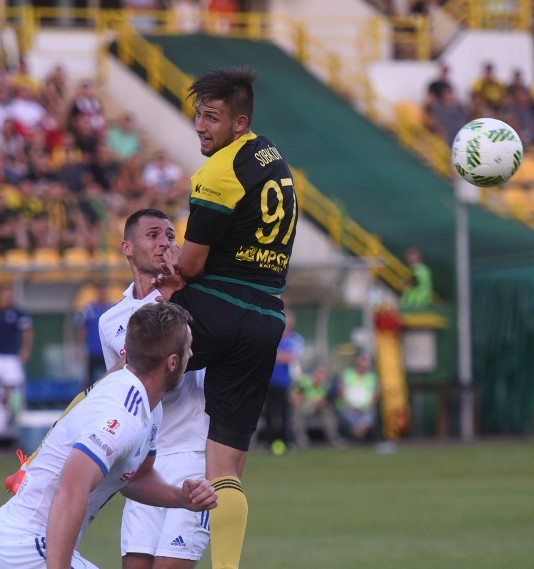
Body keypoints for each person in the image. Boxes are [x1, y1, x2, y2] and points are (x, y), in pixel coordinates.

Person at [153, 66, 298, 569]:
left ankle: (44, 466)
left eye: (211, 118)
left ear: (239, 122)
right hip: (265, 320)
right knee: (227, 467)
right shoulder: (271, 155)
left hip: (215, 309)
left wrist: (172, 269)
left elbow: (190, 265)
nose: (200, 126)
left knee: (124, 372)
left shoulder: (218, 172)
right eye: (197, 115)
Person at [0, 302, 217, 569]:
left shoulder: (148, 403)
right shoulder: (121, 418)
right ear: (173, 362)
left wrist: (179, 498)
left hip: (8, 538)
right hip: (25, 548)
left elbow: (138, 476)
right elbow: (71, 490)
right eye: (189, 347)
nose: (192, 353)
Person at [98, 208, 210, 569]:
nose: (165, 242)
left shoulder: (193, 299)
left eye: (170, 236)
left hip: (194, 453)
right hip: (145, 462)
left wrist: (181, 288)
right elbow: (123, 390)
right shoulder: (111, 321)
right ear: (127, 248)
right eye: (153, 235)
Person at [0, 285, 34, 433]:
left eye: (8, 295)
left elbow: (28, 331)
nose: (6, 298)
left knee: (8, 389)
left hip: (11, 356)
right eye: (4, 295)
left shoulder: (18, 313)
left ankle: (5, 416)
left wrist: (25, 350)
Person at [262, 310, 304, 455]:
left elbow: (291, 357)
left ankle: (287, 441)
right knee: (268, 413)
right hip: (269, 380)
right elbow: (265, 352)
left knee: (285, 413)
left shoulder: (295, 339)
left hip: (286, 383)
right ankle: (270, 441)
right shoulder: (273, 336)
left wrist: (276, 354)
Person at [291, 360, 343, 449]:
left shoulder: (326, 385)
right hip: (306, 405)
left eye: (323, 373)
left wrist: (320, 401)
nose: (321, 375)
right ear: (315, 372)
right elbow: (295, 394)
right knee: (298, 409)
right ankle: (301, 438)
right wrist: (299, 398)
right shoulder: (305, 381)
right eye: (319, 372)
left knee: (328, 409)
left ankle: (333, 437)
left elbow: (326, 399)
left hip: (319, 407)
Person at [75, 281, 113, 390]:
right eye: (100, 290)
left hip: (107, 351)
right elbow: (83, 329)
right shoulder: (89, 310)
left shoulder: (112, 308)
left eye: (104, 290)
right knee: (88, 379)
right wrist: (79, 348)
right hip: (93, 351)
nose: (102, 293)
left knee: (111, 378)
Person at [337, 352, 380, 442]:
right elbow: (341, 393)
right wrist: (351, 406)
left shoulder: (372, 378)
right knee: (345, 414)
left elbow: (374, 398)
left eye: (366, 361)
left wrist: (364, 408)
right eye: (362, 360)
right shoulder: (347, 374)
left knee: (369, 417)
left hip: (365, 411)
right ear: (357, 361)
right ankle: (357, 434)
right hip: (349, 409)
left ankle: (357, 434)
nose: (364, 364)